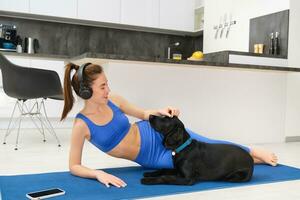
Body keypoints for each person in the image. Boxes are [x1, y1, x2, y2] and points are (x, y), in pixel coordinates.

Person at [61, 62, 278, 188]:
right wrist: (98, 173)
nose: (108, 89)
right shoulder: (82, 125)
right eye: (102, 87)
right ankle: (250, 160)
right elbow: (74, 166)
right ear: (86, 92)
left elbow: (143, 114)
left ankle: (252, 151)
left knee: (206, 144)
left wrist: (162, 111)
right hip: (151, 157)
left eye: (107, 84)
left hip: (153, 132)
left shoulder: (114, 100)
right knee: (202, 163)